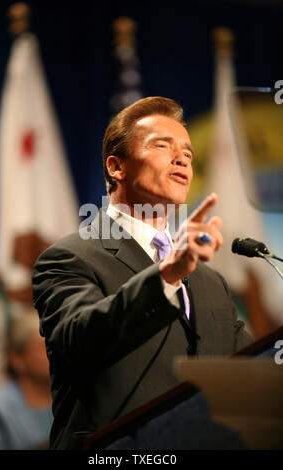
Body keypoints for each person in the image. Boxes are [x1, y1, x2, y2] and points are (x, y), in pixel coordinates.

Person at [32, 96, 252, 450]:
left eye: (188, 153)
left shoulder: (211, 283)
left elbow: (249, 371)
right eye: (162, 146)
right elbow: (81, 340)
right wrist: (167, 275)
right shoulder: (68, 258)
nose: (181, 157)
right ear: (116, 167)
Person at [0, 304, 53, 450]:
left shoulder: (76, 398)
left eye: (54, 346)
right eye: (42, 348)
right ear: (16, 358)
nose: (53, 354)